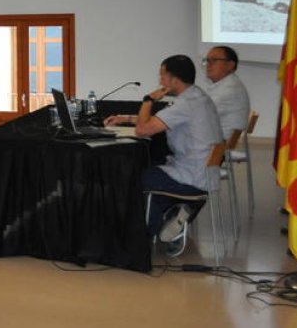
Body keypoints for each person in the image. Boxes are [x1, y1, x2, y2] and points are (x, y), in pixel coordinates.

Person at [104, 55, 223, 256]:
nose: (160, 81)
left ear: (174, 79)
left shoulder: (186, 104)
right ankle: (173, 215)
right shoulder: (196, 96)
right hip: (204, 172)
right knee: (154, 165)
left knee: (135, 176)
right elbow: (158, 121)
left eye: (162, 75)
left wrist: (148, 100)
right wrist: (124, 118)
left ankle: (145, 233)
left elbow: (143, 130)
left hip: (191, 177)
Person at [203, 46, 251, 139]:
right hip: (215, 140)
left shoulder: (229, 89)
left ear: (230, 65)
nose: (208, 65)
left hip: (215, 146)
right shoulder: (227, 84)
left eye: (214, 60)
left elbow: (198, 115)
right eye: (207, 60)